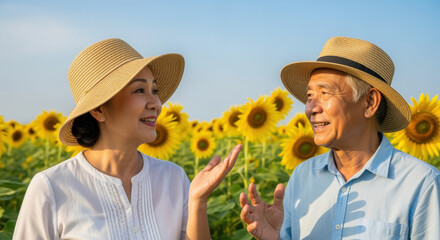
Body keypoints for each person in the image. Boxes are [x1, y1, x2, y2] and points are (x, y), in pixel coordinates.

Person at [13, 38, 242, 240]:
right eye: (139, 91)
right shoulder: (52, 187)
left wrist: (198, 203)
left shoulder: (174, 179)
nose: (157, 104)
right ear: (99, 110)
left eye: (155, 90)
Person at [239, 36, 440, 239]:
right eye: (310, 96)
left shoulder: (420, 184)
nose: (311, 108)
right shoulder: (302, 177)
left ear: (370, 102)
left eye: (325, 93)